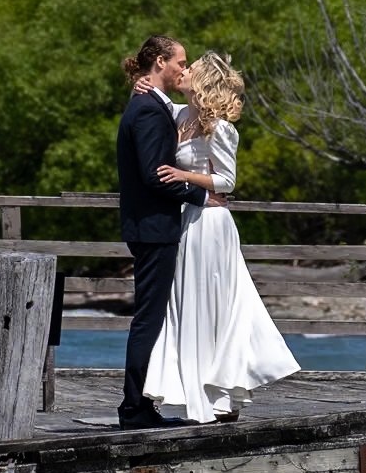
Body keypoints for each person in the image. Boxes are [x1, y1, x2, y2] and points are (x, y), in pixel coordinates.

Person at [144, 50, 300, 423]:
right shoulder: (180, 116)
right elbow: (157, 102)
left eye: (191, 69)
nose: (183, 72)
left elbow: (227, 181)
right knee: (185, 303)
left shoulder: (221, 129)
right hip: (186, 222)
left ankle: (221, 397)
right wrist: (143, 85)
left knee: (214, 304)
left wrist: (185, 177)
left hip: (212, 224)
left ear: (203, 82)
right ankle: (190, 391)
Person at [115, 33, 205, 427]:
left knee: (151, 316)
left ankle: (141, 403)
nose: (184, 69)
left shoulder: (150, 103)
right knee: (149, 319)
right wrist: (198, 195)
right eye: (180, 63)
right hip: (153, 228)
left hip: (149, 226)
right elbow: (154, 175)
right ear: (159, 63)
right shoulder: (149, 109)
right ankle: (134, 407)